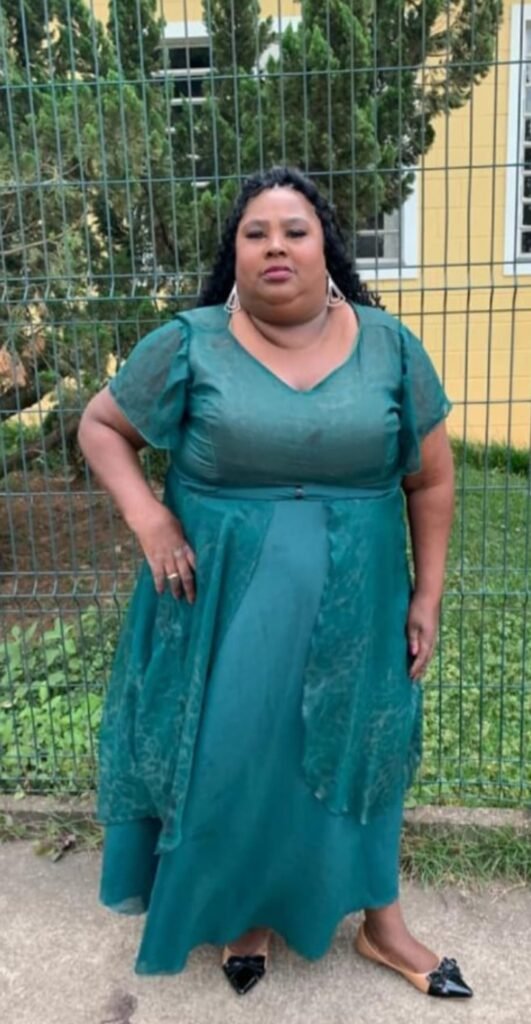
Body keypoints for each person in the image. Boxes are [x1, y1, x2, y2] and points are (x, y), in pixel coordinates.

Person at [78, 166, 472, 999]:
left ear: (326, 245)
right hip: (223, 595)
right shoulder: (189, 343)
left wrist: (427, 593)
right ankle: (245, 911)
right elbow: (102, 426)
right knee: (236, 749)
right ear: (236, 254)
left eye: (295, 230)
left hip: (359, 593)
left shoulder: (390, 346)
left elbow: (431, 478)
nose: (275, 247)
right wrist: (150, 519)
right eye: (254, 234)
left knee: (362, 743)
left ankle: (381, 923)